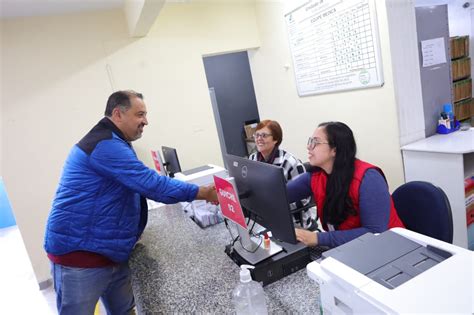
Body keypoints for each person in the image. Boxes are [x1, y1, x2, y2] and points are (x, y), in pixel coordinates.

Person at [43, 90, 218, 315]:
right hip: (79, 256)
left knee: (125, 311)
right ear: (118, 114)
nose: (146, 121)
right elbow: (152, 185)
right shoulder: (104, 144)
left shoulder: (115, 141)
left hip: (110, 251)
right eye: (140, 114)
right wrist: (204, 192)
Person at [288, 121, 405, 248]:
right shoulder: (317, 175)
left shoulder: (369, 179)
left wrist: (317, 238)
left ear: (334, 150)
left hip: (388, 248)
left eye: (315, 142)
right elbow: (282, 194)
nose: (309, 147)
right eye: (310, 141)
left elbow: (375, 232)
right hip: (349, 248)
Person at [249, 119, 316, 229]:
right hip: (265, 216)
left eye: (264, 135)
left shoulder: (290, 162)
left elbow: (304, 199)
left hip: (294, 220)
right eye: (257, 135)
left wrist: (275, 207)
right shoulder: (253, 159)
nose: (259, 139)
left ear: (275, 139)